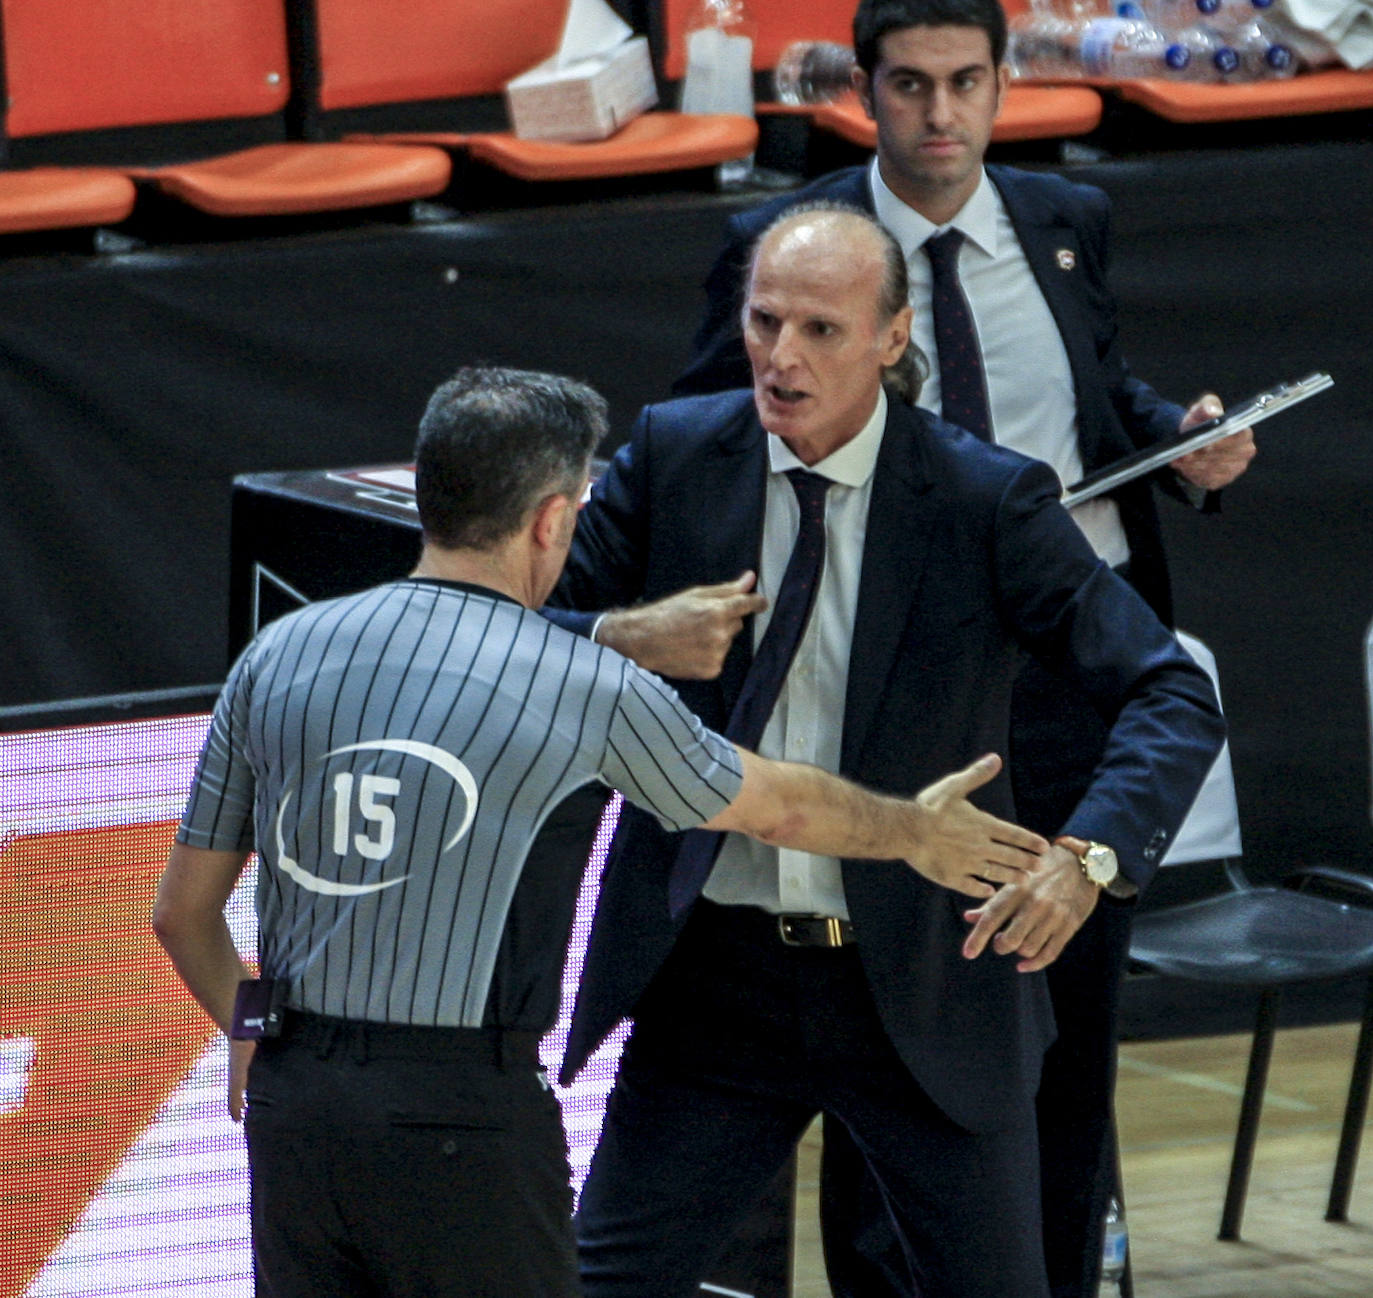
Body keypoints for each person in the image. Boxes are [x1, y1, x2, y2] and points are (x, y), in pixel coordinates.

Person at [151, 363, 1055, 1298]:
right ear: (552, 520)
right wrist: (912, 829)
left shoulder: (278, 653)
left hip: (294, 1107)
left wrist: (253, 1030)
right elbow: (776, 805)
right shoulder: (582, 685)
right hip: (462, 1117)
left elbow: (181, 914)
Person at [671, 2, 1257, 1293]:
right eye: (910, 84)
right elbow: (712, 431)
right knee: (899, 1023)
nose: (940, 114)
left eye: (966, 81)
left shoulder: (1063, 218)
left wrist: (1181, 440)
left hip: (1073, 674)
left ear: (1002, 85)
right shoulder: (796, 250)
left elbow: (1090, 393)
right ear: (862, 91)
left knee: (1069, 1024)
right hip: (911, 691)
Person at [546, 205, 1225, 1298]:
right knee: (604, 1284)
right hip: (718, 978)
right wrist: (624, 636)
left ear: (892, 338)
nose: (782, 357)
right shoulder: (676, 455)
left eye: (820, 329)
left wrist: (1088, 858)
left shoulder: (983, 496)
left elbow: (1169, 688)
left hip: (927, 973)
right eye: (764, 321)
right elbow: (503, 633)